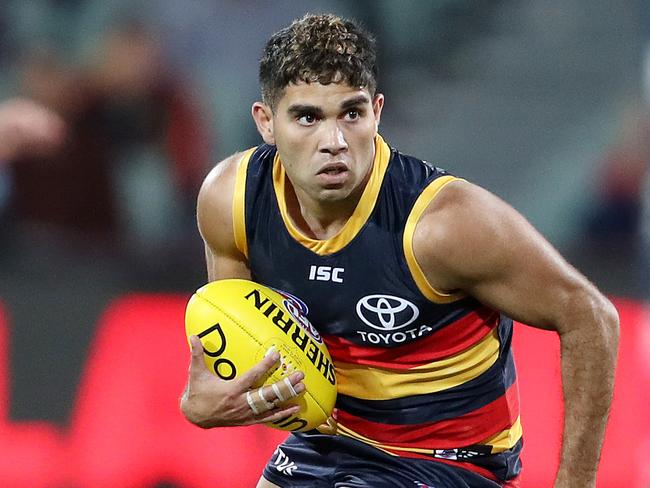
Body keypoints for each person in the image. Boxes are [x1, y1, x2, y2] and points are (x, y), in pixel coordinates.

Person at [180, 14, 619, 488]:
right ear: (265, 123)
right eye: (307, 117)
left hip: (453, 461)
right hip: (326, 445)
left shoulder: (443, 224)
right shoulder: (232, 201)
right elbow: (240, 355)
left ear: (378, 112)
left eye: (352, 113)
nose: (334, 142)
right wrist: (200, 406)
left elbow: (590, 316)